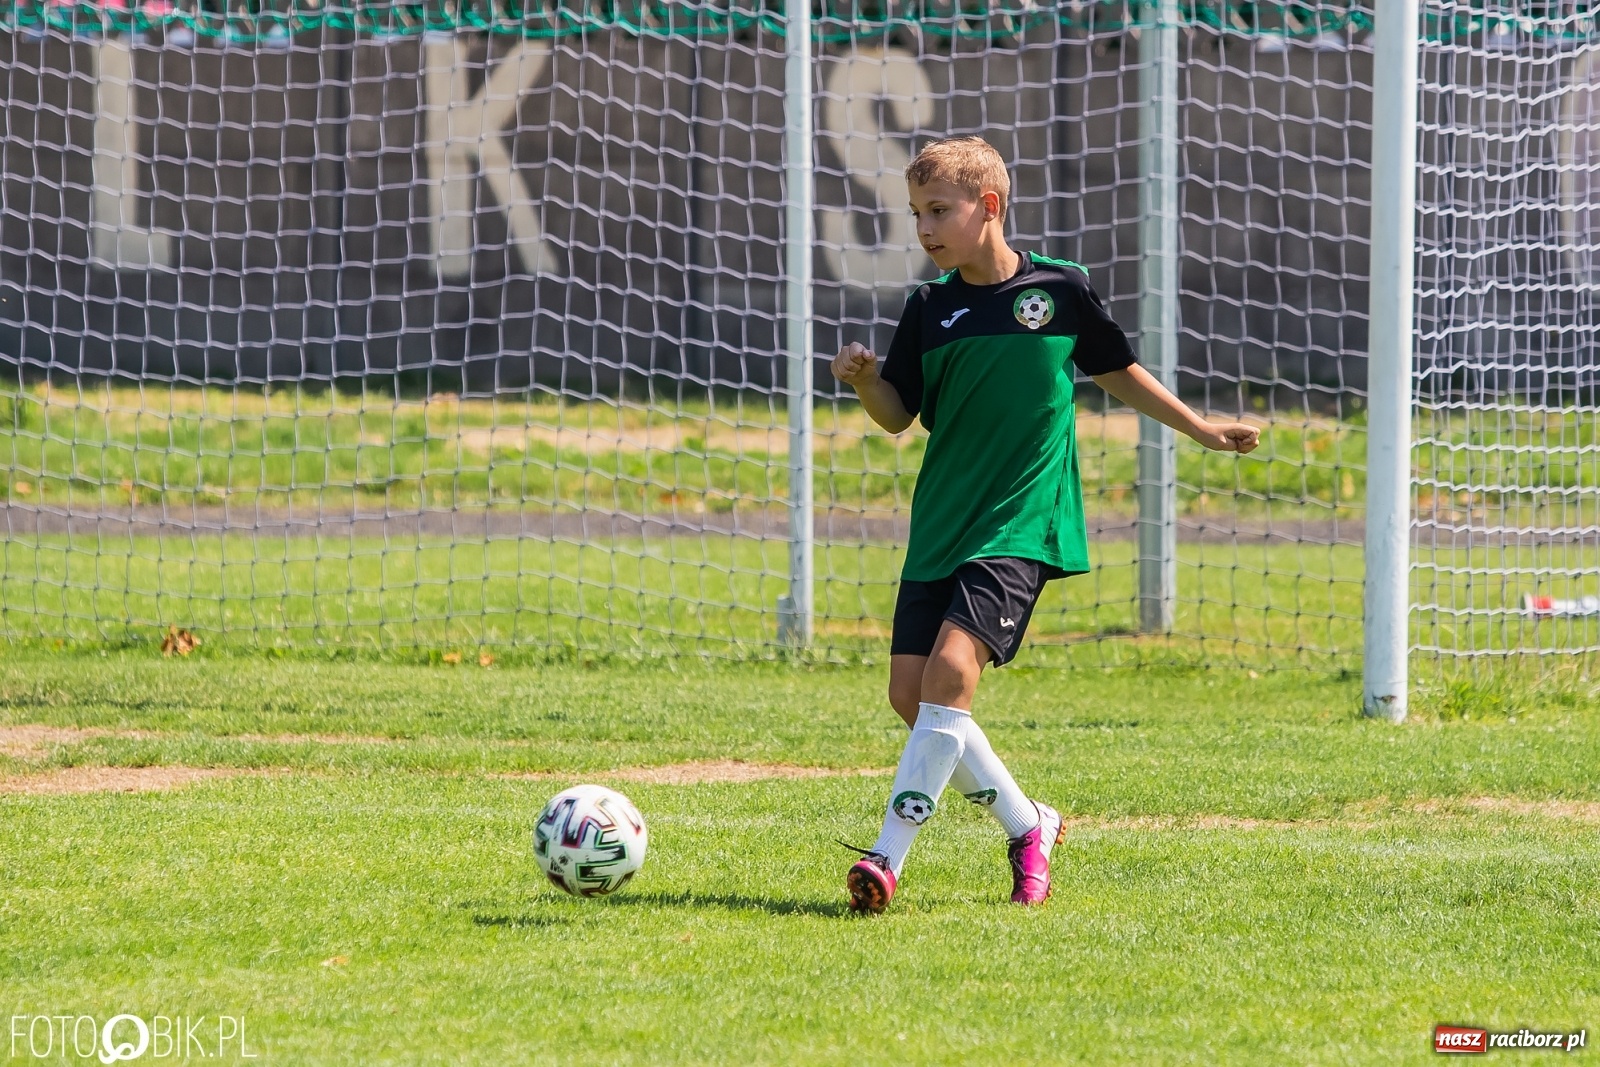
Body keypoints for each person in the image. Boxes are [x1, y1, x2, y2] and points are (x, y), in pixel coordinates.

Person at [831, 136, 1261, 913]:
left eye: (939, 211)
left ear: (987, 207)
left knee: (952, 674)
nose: (925, 229)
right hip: (942, 521)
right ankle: (1029, 824)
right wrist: (866, 381)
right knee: (913, 695)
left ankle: (885, 856)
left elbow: (1116, 372)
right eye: (916, 213)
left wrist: (1200, 428)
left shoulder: (1060, 291)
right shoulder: (930, 307)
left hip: (1021, 520)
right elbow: (899, 415)